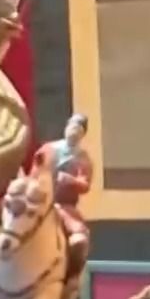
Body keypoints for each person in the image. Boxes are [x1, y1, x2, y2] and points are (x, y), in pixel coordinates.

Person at [34, 111, 94, 271]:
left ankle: (73, 273)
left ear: (82, 135)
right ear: (66, 127)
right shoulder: (48, 149)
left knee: (79, 237)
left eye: (79, 130)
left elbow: (85, 184)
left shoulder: (82, 158)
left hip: (64, 205)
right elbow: (34, 173)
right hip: (39, 201)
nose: (74, 132)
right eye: (73, 127)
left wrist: (71, 180)